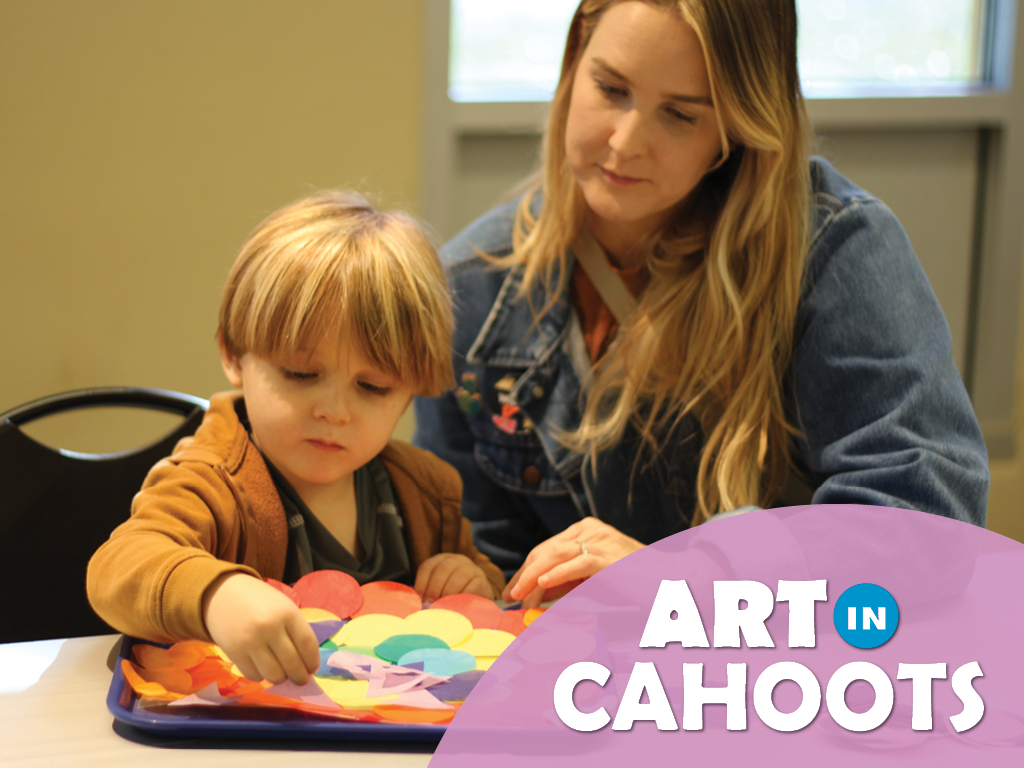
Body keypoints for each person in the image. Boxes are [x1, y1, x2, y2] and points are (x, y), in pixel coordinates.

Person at [413, 0, 989, 608]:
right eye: (611, 88)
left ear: (736, 127)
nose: (625, 141)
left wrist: (694, 578)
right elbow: (489, 579)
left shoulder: (834, 251)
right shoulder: (468, 288)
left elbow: (929, 526)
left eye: (680, 115)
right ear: (573, 60)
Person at [88, 191, 504, 686]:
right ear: (234, 353)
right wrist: (216, 596)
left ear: (412, 391)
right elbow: (118, 568)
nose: (334, 411)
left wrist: (473, 582)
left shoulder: (427, 493)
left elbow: (484, 591)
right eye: (301, 374)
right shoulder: (212, 481)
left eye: (372, 388)